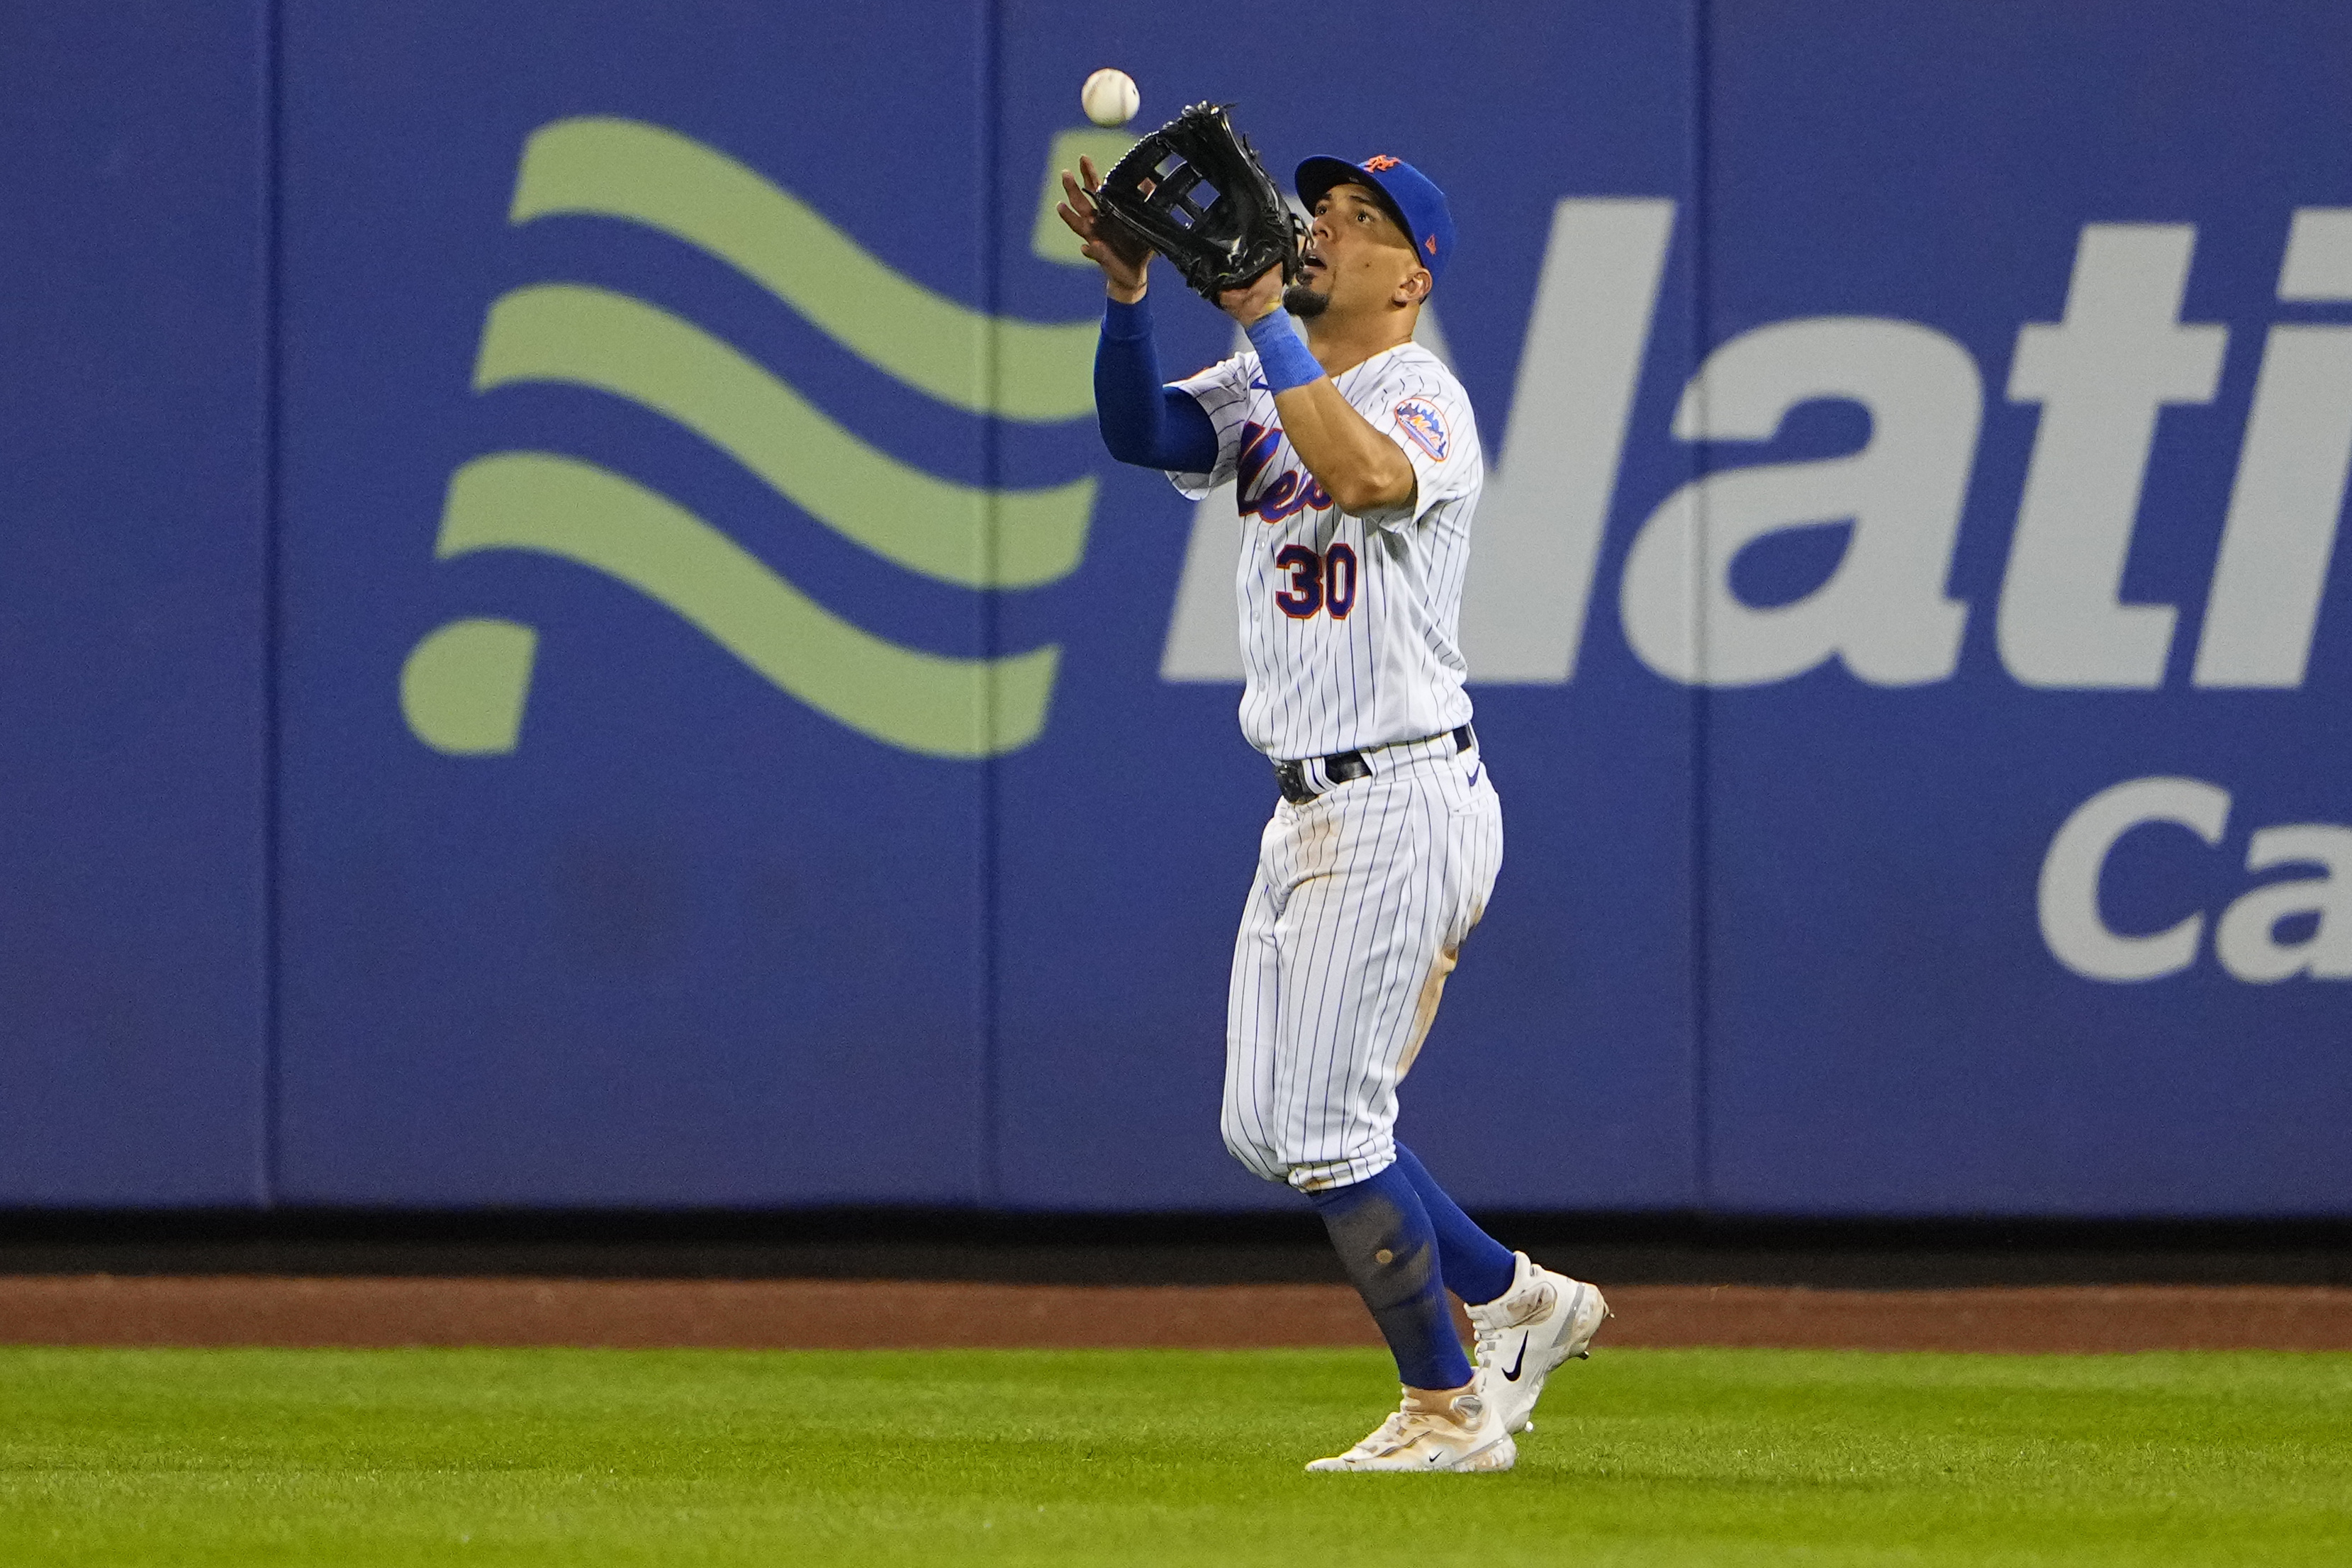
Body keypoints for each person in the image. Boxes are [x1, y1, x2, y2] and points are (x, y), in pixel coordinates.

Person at [1058, 149, 1608, 1473]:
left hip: (1402, 787)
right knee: (1273, 1128)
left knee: (1319, 1128)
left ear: (1410, 277)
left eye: (1361, 225)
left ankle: (1445, 1409)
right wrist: (1129, 298)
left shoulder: (1425, 397)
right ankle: (1519, 1299)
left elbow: (1361, 478)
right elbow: (1144, 435)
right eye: (1325, 213)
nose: (1323, 233)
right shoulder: (1266, 375)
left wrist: (1256, 320)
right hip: (1309, 801)